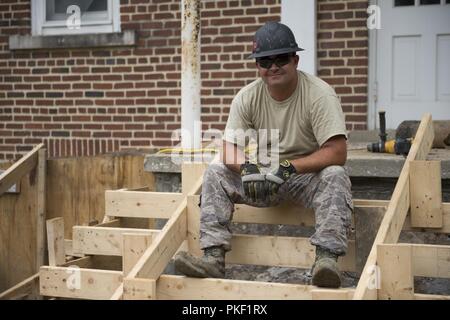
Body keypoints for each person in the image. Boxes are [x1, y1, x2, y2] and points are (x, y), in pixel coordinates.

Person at [174, 21, 353, 288]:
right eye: (264, 61)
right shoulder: (247, 97)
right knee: (215, 172)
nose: (273, 67)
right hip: (263, 179)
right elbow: (228, 148)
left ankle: (326, 261)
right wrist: (248, 169)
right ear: (257, 65)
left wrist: (288, 167)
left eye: (281, 58)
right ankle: (213, 259)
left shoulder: (319, 95)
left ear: (295, 60)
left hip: (304, 178)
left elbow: (337, 151)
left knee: (336, 175)